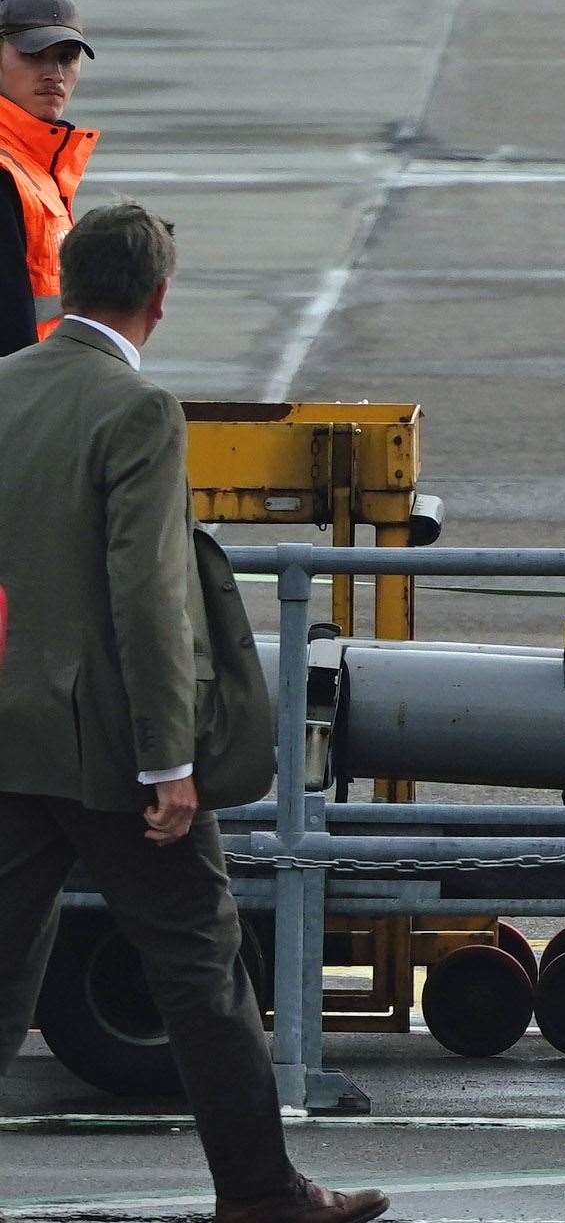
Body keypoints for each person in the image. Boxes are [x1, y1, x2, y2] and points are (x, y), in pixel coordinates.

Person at [0, 202, 389, 1223]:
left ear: (67, 282)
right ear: (159, 301)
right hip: (109, 757)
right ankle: (262, 1193)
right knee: (201, 967)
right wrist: (166, 761)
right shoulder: (136, 412)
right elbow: (149, 596)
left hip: (8, 735)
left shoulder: (3, 387)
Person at [0, 0, 97, 356]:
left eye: (67, 58)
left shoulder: (34, 166)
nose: (53, 73)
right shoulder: (7, 172)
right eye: (33, 55)